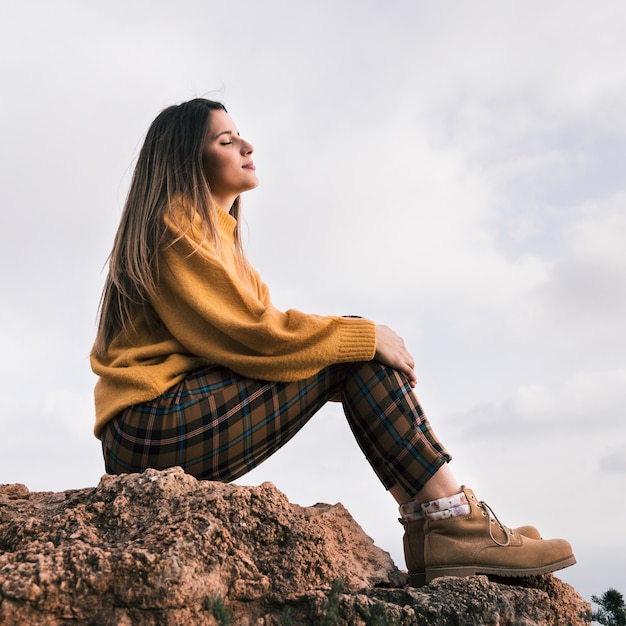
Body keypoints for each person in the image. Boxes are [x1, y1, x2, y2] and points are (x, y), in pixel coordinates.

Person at [91, 98, 575, 586]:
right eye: (225, 140)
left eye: (240, 136)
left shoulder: (220, 241)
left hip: (165, 425)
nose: (247, 145)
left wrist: (352, 362)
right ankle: (451, 522)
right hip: (150, 424)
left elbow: (262, 337)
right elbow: (258, 338)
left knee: (352, 350)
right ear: (186, 160)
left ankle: (440, 527)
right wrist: (358, 342)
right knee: (355, 344)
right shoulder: (176, 226)